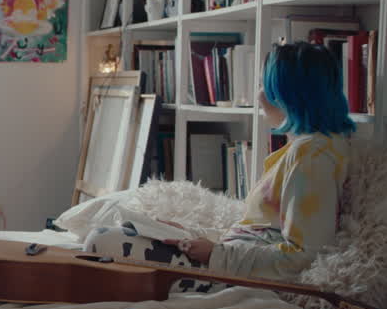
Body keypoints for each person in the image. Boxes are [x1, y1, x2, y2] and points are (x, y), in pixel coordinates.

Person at [83, 41, 355, 290]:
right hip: (229, 259)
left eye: (264, 85)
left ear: (288, 94)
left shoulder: (312, 157)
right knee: (124, 229)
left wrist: (215, 254)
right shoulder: (308, 149)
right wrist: (192, 234)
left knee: (101, 240)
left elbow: (304, 255)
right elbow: (260, 231)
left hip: (232, 274)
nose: (259, 95)